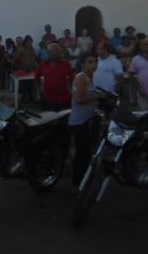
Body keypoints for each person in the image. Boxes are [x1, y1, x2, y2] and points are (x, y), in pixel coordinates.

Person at [69, 52, 104, 191]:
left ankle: (84, 179)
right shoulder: (82, 77)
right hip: (79, 121)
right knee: (82, 154)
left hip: (86, 119)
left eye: (95, 61)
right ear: (82, 64)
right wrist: (97, 96)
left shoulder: (90, 77)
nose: (94, 64)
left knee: (86, 152)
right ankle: (76, 184)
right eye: (90, 62)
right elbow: (78, 99)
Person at [36, 43, 75, 111]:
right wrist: (39, 93)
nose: (54, 52)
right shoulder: (43, 65)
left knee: (64, 120)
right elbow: (36, 79)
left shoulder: (66, 65)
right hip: (47, 99)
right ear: (48, 52)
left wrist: (72, 92)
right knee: (49, 119)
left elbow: (72, 79)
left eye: (56, 50)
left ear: (59, 52)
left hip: (64, 99)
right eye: (52, 50)